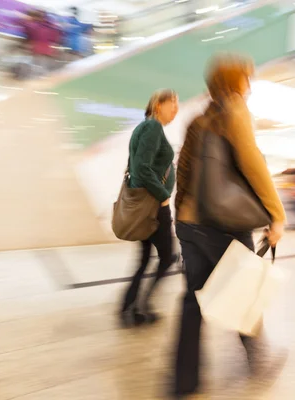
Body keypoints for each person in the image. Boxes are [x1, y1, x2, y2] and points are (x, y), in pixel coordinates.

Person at [173, 54, 286, 396]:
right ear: (234, 82)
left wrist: (182, 217)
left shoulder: (197, 120)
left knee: (193, 301)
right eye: (246, 79)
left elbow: (184, 171)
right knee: (245, 290)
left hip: (190, 222)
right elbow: (252, 164)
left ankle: (183, 382)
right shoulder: (234, 110)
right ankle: (258, 361)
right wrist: (276, 214)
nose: (248, 86)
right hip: (223, 223)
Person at [119, 89, 179, 327]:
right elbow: (143, 168)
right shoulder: (153, 128)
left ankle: (128, 307)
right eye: (172, 103)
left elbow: (136, 166)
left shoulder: (142, 128)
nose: (176, 108)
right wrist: (164, 197)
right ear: (158, 105)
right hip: (153, 206)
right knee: (167, 257)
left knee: (144, 259)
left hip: (144, 205)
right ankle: (141, 306)